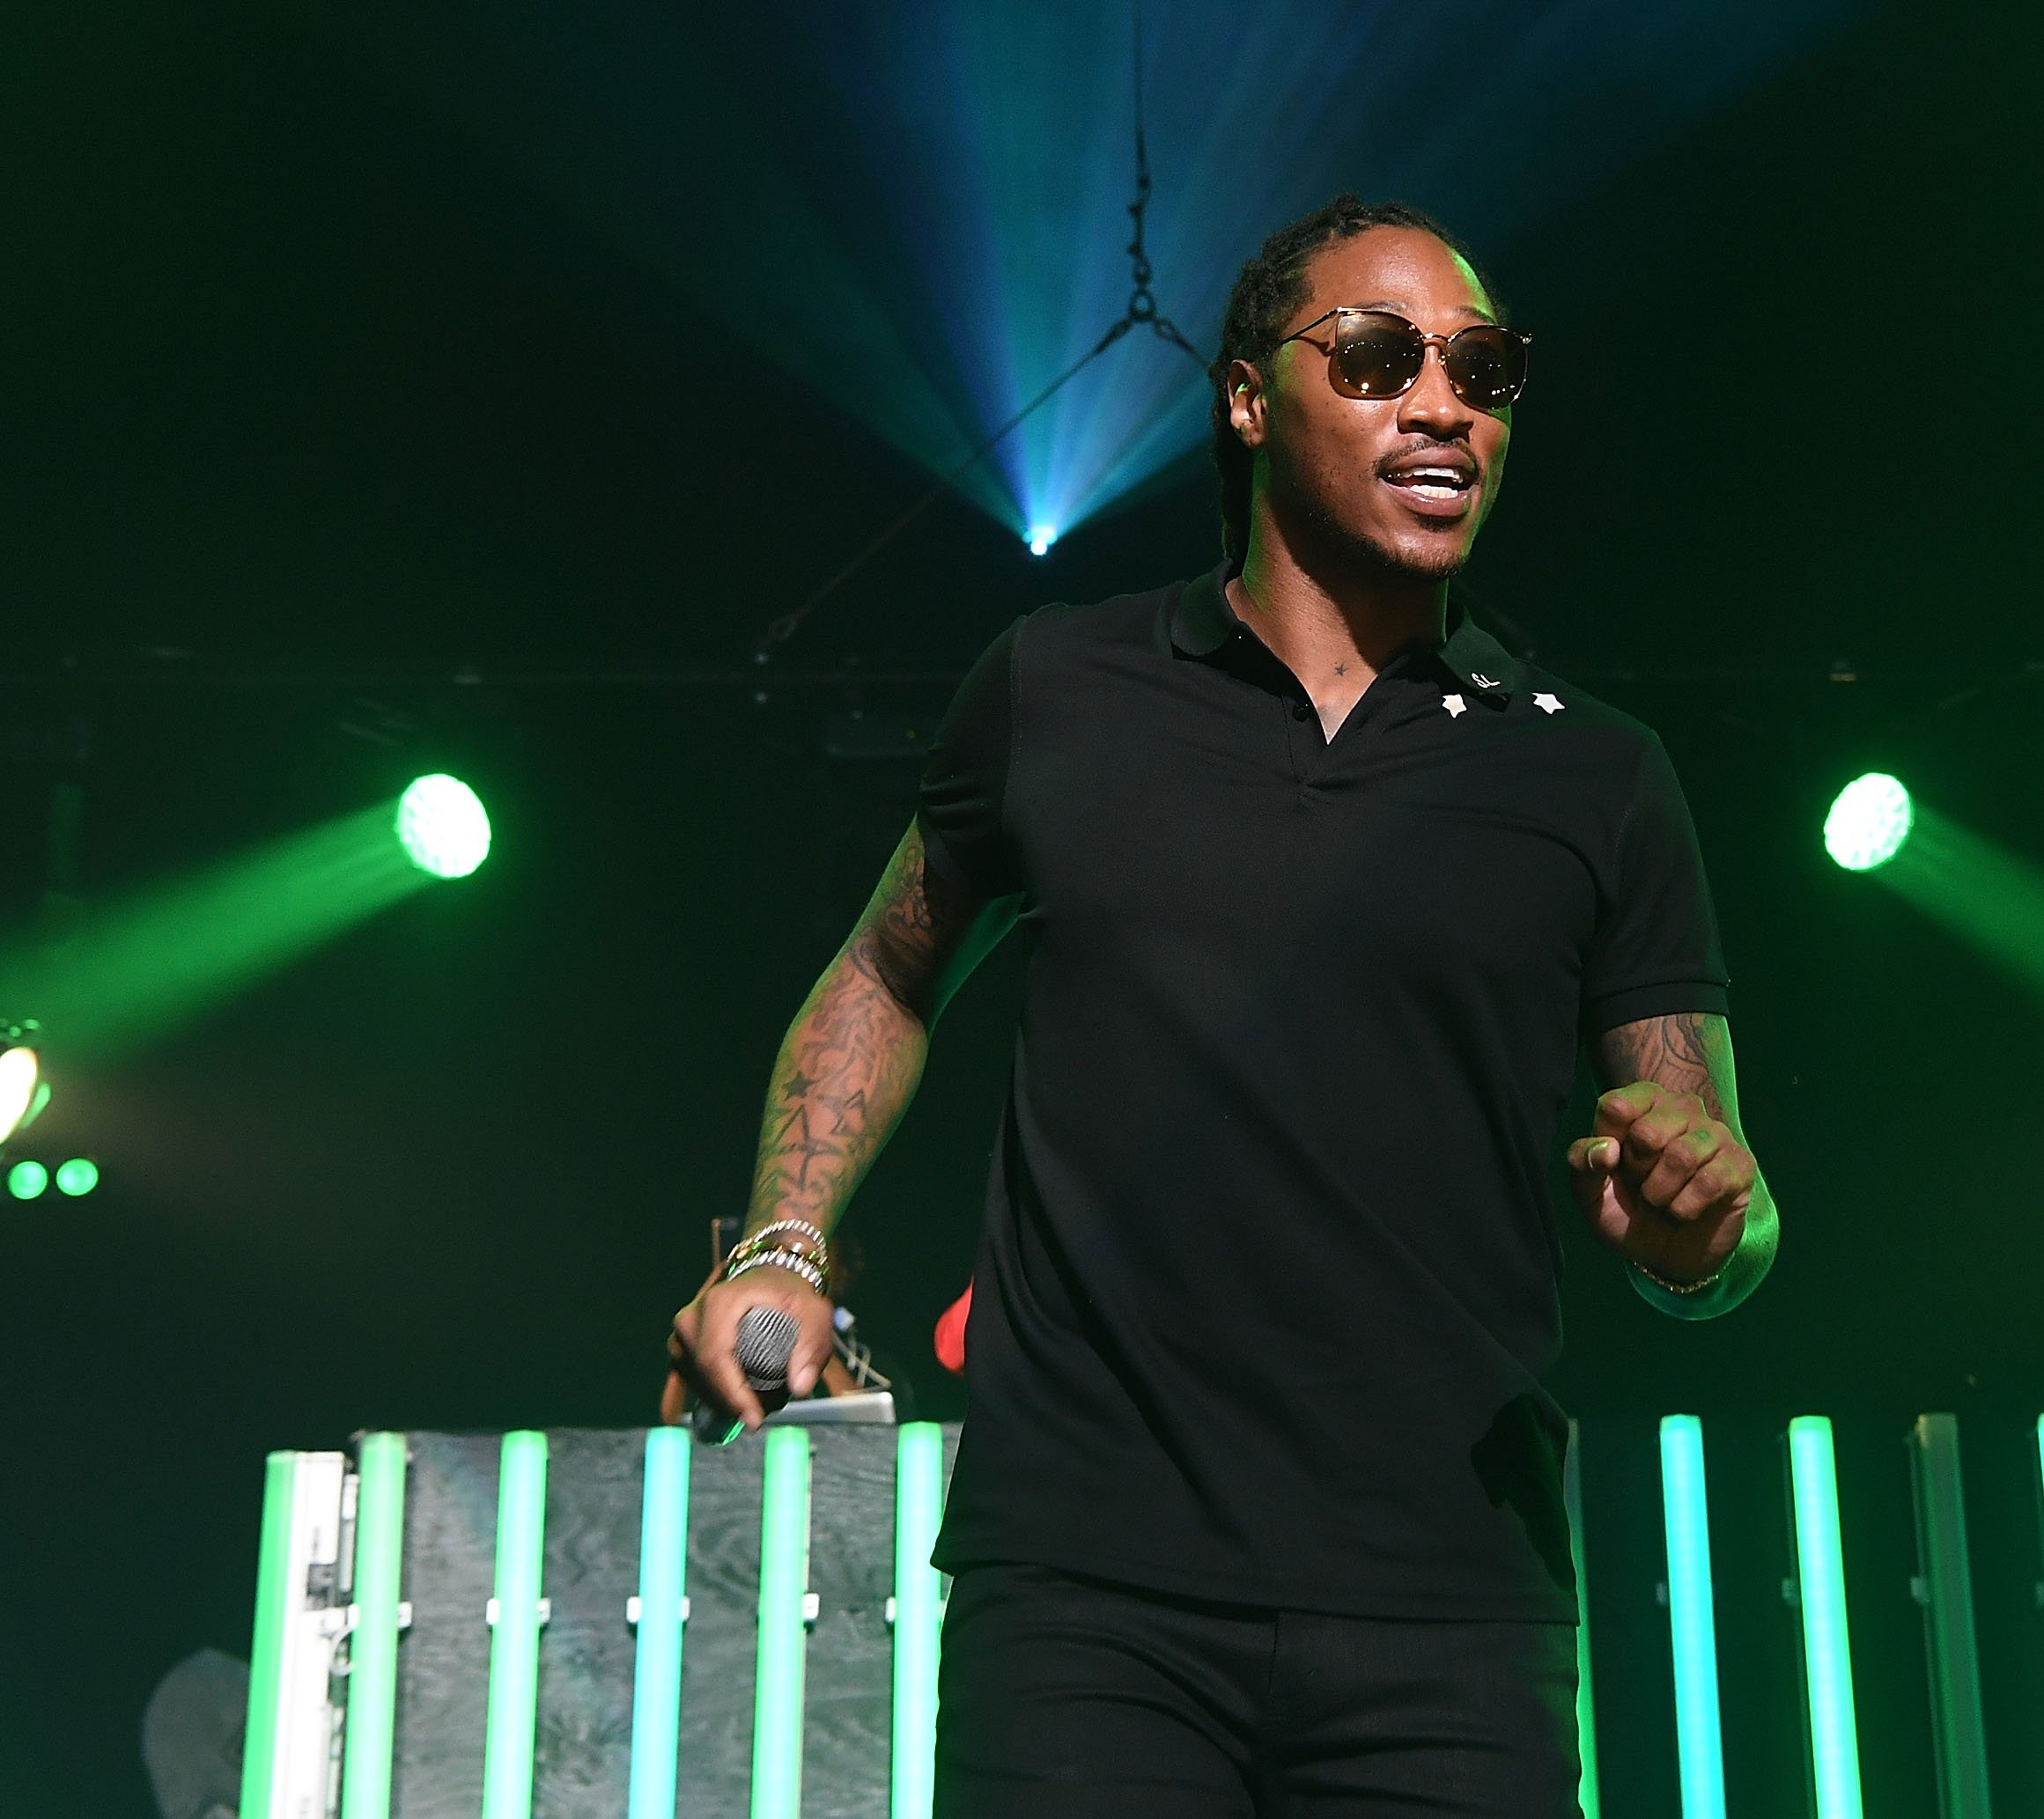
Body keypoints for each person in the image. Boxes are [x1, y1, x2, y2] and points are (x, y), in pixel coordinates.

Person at [672, 193, 1778, 1817]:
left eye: (1484, 366)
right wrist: (784, 1235)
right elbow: (887, 970)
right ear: (1252, 399)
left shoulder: (1593, 770)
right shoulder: (1058, 687)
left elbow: (1723, 1211)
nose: (1444, 401)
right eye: (1381, 356)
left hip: (1449, 1614)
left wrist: (1700, 1233)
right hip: (1084, 1595)